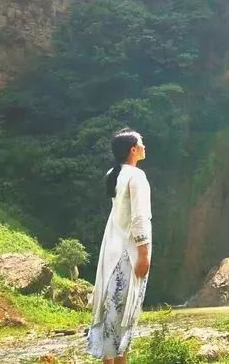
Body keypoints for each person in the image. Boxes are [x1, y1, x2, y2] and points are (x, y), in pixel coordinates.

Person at [87, 128, 152, 363]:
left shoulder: (114, 173)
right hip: (129, 253)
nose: (145, 145)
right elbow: (139, 217)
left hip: (113, 250)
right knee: (124, 314)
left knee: (112, 314)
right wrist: (144, 254)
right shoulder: (137, 177)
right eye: (141, 142)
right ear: (133, 149)